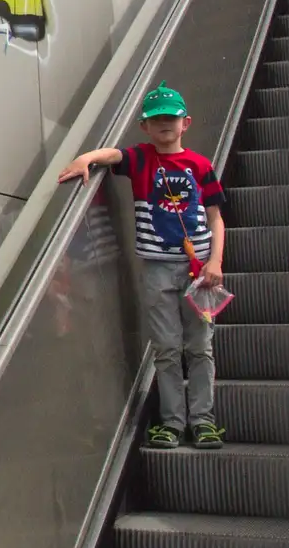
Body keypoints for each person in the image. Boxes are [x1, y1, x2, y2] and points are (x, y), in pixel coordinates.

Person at [58, 82, 228, 449]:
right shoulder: (141, 159)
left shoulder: (200, 166)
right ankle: (172, 421)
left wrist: (215, 260)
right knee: (166, 347)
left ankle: (203, 420)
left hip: (199, 273)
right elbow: (112, 155)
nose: (165, 124)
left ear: (186, 123)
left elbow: (216, 217)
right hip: (156, 269)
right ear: (145, 127)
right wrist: (86, 159)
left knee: (200, 346)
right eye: (157, 119)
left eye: (172, 118)